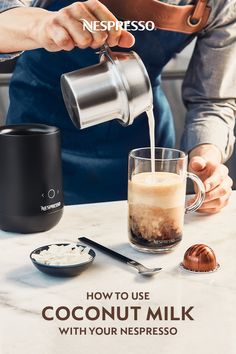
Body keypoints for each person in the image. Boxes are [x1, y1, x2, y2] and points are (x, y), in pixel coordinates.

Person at [0, 0, 235, 213]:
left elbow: (212, 101)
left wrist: (207, 159)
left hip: (141, 141)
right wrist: (42, 25)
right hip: (41, 135)